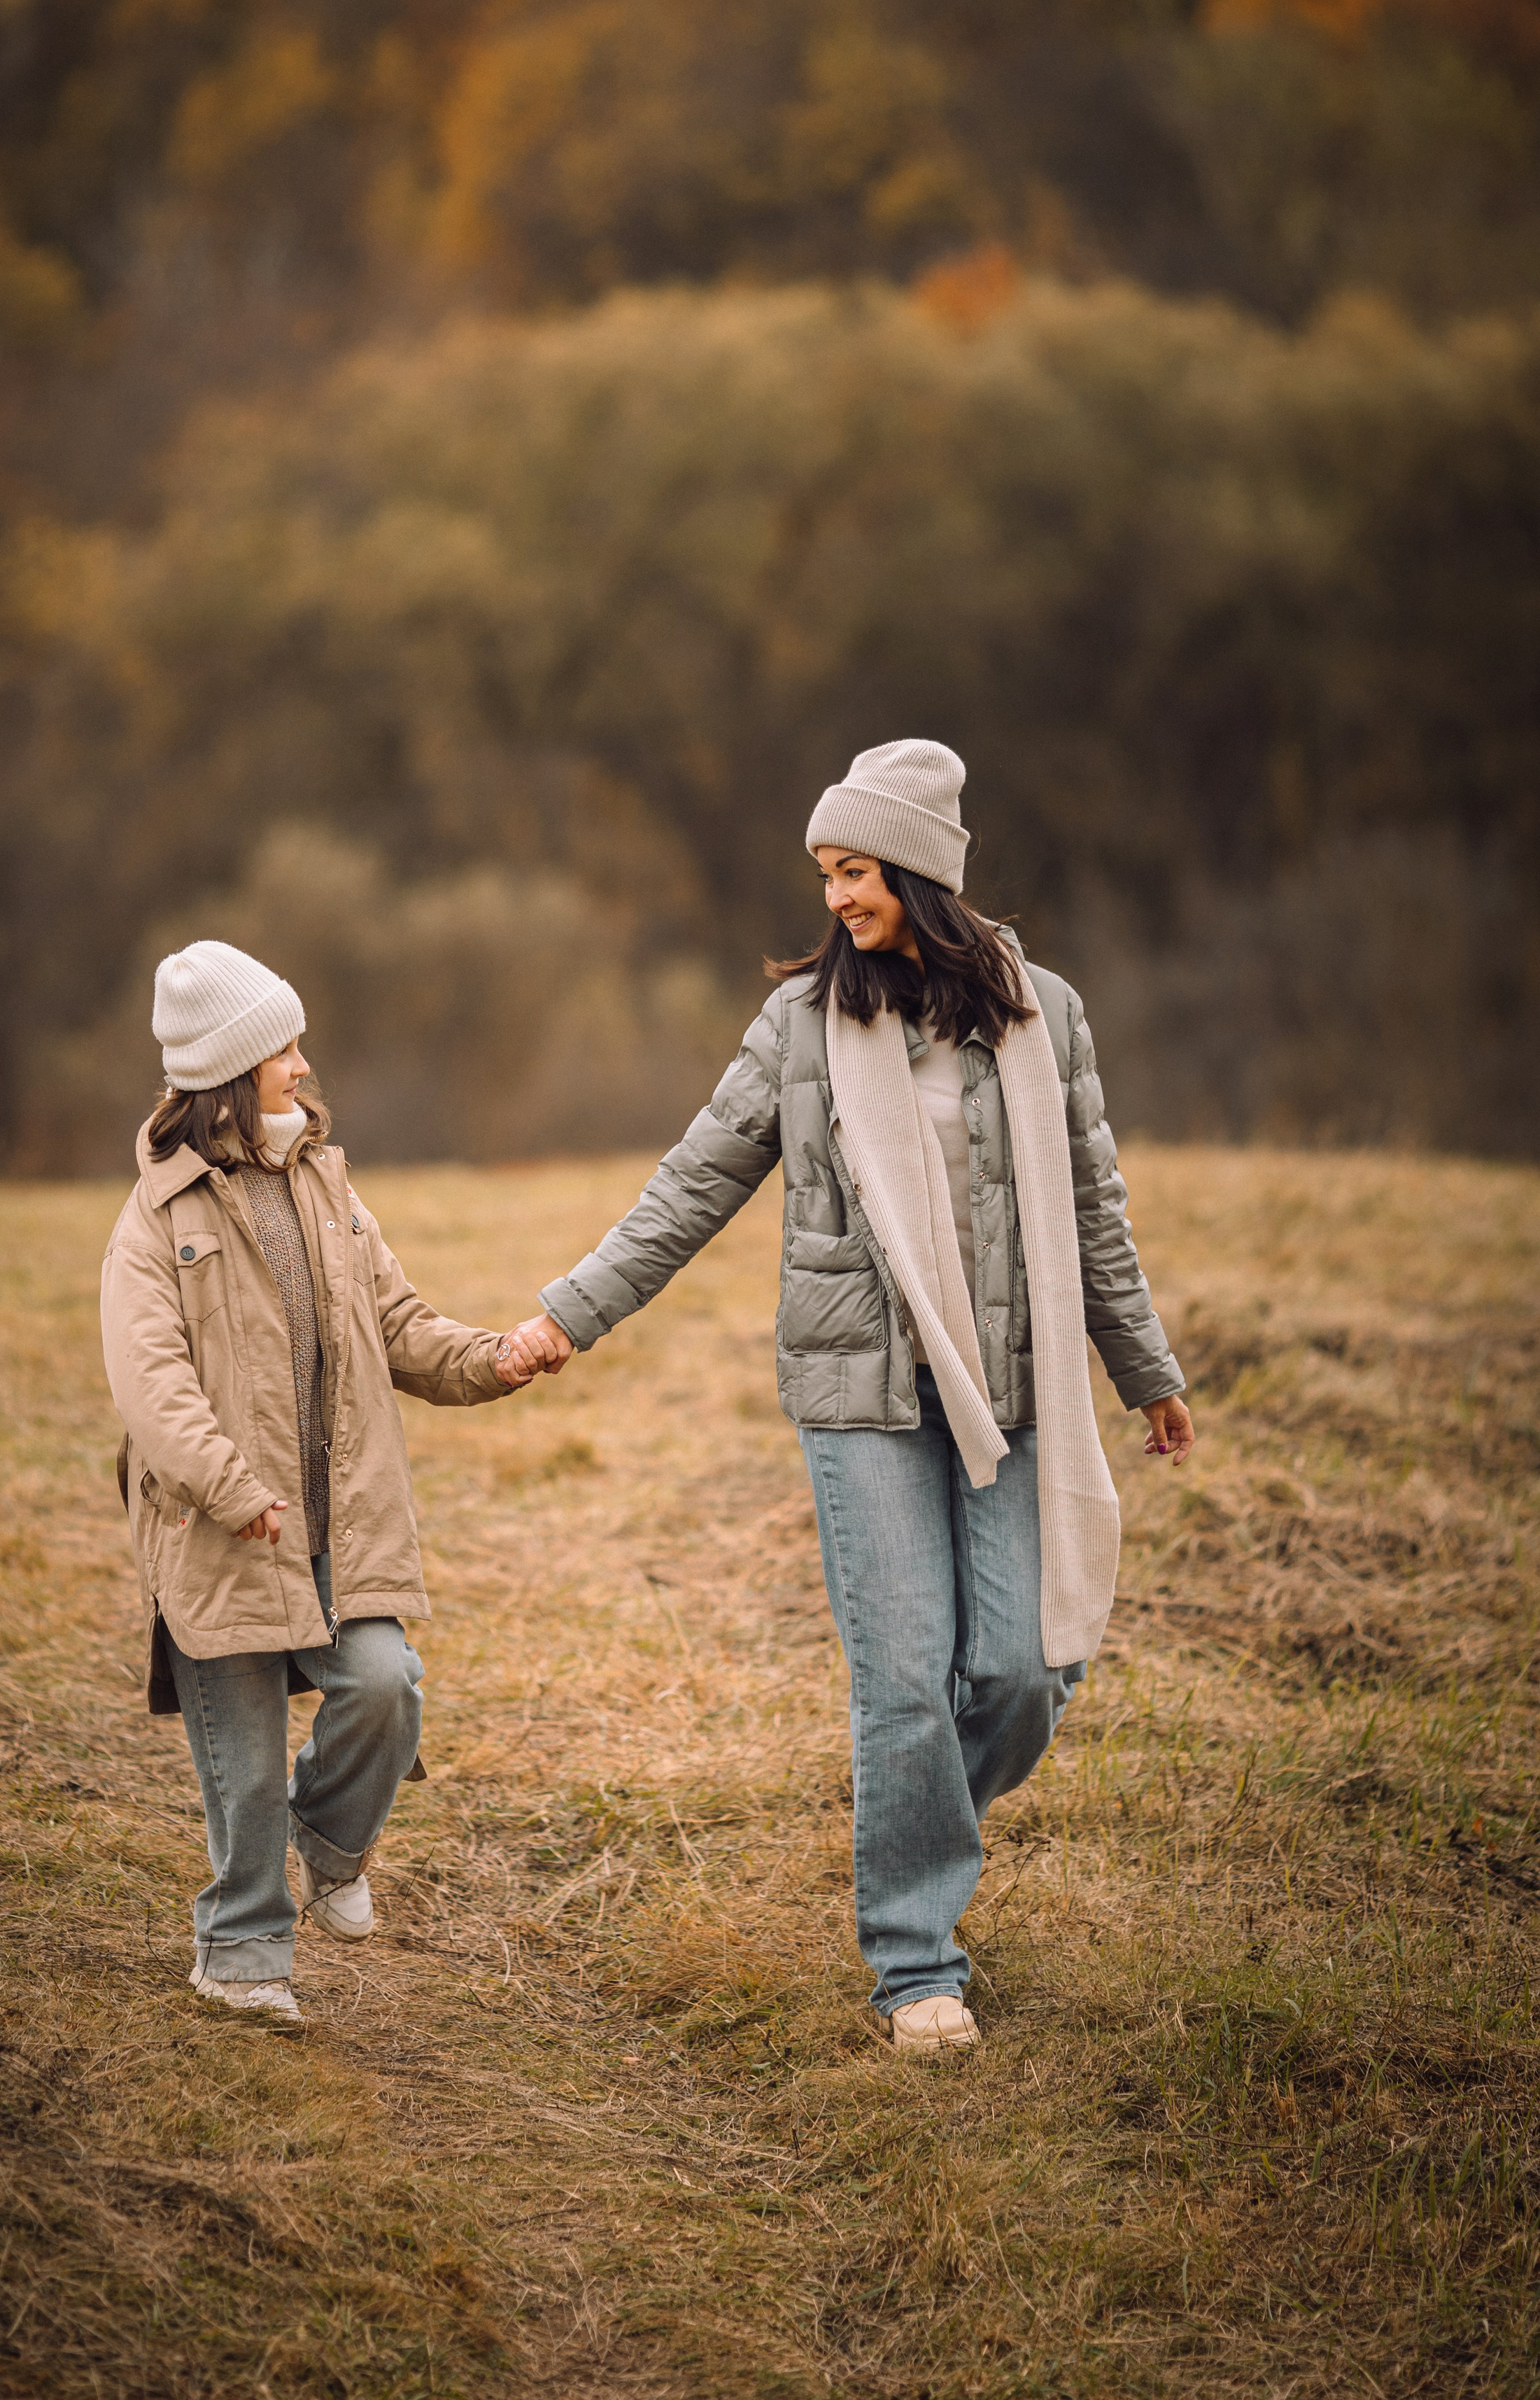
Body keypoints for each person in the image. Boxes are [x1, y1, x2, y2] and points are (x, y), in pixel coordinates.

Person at [510, 741, 1194, 2056]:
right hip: (860, 1394)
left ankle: (917, 1817)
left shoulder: (1045, 1014)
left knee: (1022, 1670)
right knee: (901, 1689)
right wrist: (565, 1316)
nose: (836, 897)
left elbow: (1092, 1211)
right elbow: (693, 1183)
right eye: (826, 873)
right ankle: (915, 1962)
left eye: (856, 871)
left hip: (1018, 1386)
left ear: (922, 871)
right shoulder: (802, 1026)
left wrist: (1146, 1370)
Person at [101, 939, 544, 2024]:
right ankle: (242, 1956)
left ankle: (332, 1841)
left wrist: (494, 1357)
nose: (303, 1065)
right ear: (230, 1074)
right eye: (282, 1050)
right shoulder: (155, 1222)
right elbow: (150, 1386)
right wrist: (230, 1489)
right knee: (242, 1773)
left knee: (387, 1688)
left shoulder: (328, 1185)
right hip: (220, 1536)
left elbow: (395, 1324)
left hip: (336, 1526)